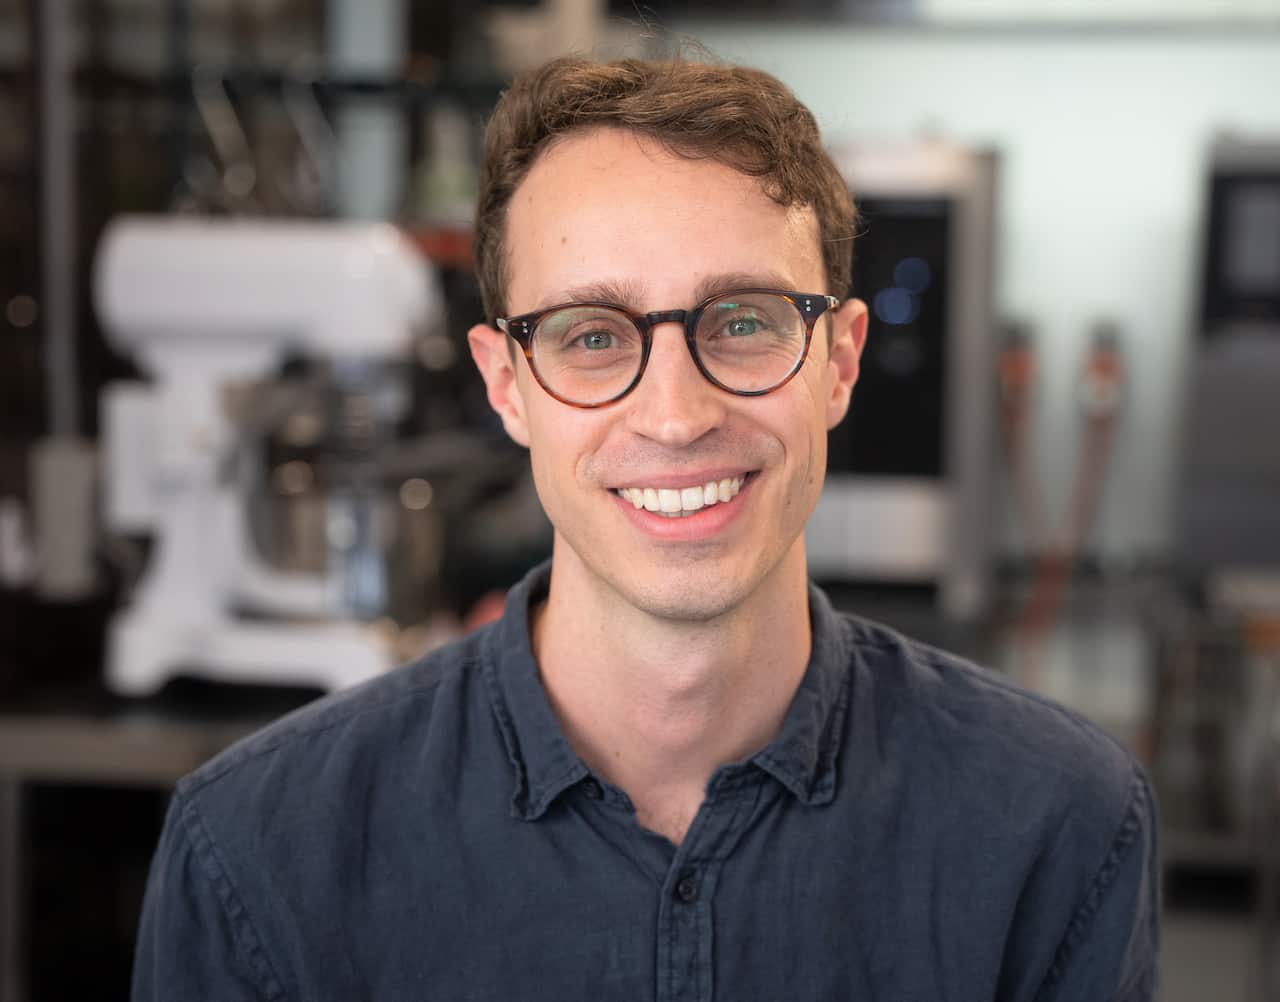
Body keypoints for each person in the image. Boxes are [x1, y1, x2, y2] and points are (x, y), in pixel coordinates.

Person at [133, 56, 1159, 1001]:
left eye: (745, 321)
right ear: (506, 386)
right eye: (590, 335)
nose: (674, 416)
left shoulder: (1056, 825)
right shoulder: (257, 852)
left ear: (839, 361)